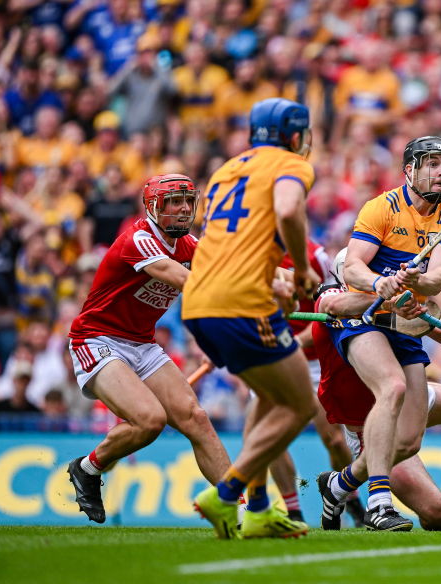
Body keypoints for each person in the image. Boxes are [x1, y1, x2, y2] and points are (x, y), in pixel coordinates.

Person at [181, 98, 321, 539]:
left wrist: (274, 281)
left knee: (268, 400)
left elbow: (230, 241)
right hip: (241, 304)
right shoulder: (291, 165)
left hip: (199, 302)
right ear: (296, 136)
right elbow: (285, 210)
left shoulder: (226, 169)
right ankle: (228, 492)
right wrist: (300, 270)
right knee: (299, 404)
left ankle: (259, 508)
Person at [65, 174, 231, 524]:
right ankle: (87, 468)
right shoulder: (138, 239)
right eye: (174, 202)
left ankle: (241, 509)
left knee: (197, 419)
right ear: (155, 207)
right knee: (150, 421)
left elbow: (224, 273)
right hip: (98, 339)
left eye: (188, 200)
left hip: (142, 342)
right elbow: (187, 280)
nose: (184, 208)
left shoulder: (190, 245)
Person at [308, 250, 441, 532]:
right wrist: (387, 300)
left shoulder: (392, 299)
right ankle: (342, 484)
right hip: (370, 425)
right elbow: (335, 304)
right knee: (437, 514)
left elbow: (435, 330)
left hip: (404, 397)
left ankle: (339, 483)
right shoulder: (333, 295)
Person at [332, 135, 441, 530]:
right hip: (363, 317)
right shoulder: (382, 207)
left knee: (408, 442)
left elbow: (437, 278)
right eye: (431, 164)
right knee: (392, 388)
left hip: (403, 326)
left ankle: (339, 486)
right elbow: (353, 266)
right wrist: (378, 283)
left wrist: (417, 280)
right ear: (409, 170)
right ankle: (379, 505)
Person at [252, 239, 364, 525]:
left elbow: (329, 308)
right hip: (275, 357)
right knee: (270, 437)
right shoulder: (251, 250)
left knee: (334, 440)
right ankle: (294, 511)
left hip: (315, 357)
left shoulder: (315, 256)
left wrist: (290, 341)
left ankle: (345, 496)